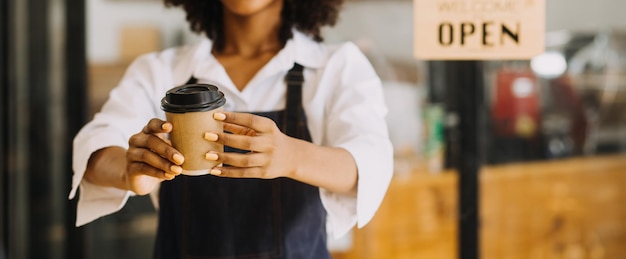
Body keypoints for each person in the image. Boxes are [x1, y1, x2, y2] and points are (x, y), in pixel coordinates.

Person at [69, 0, 393, 258]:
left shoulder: (336, 67)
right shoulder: (159, 70)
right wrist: (130, 169)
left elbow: (371, 164)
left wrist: (292, 156)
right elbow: (98, 146)